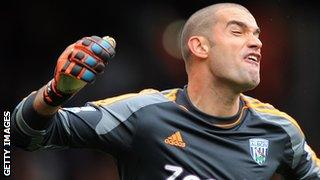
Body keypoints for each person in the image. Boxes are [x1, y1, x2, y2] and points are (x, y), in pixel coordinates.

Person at [12, 2, 320, 179]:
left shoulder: (280, 131)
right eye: (238, 32)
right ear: (199, 46)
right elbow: (19, 134)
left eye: (257, 34)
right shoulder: (142, 114)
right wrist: (56, 92)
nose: (257, 42)